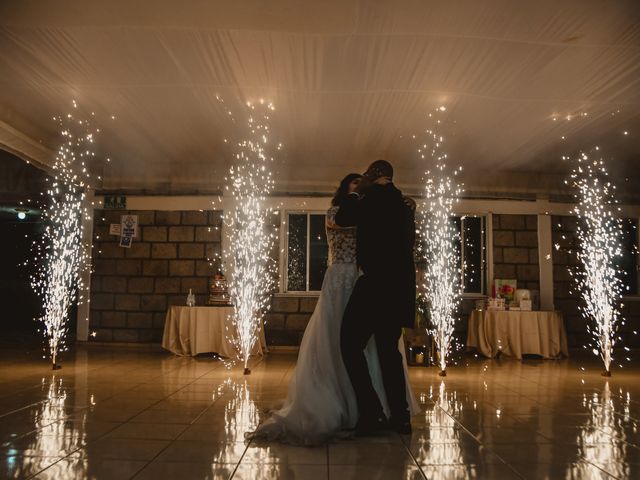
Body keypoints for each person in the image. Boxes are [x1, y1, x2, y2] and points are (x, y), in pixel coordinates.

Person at [247, 173, 419, 445]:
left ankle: (380, 408)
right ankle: (348, 403)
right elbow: (342, 222)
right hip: (341, 279)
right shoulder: (338, 211)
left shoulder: (370, 209)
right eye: (353, 183)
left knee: (376, 347)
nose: (359, 186)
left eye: (361, 183)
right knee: (339, 338)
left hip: (365, 279)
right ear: (345, 189)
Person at [335, 160, 416, 435]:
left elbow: (343, 218)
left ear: (374, 176)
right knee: (388, 352)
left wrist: (355, 194)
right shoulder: (405, 206)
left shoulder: (368, 200)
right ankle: (401, 418)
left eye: (367, 176)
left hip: (375, 285)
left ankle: (372, 413)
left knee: (348, 342)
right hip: (400, 288)